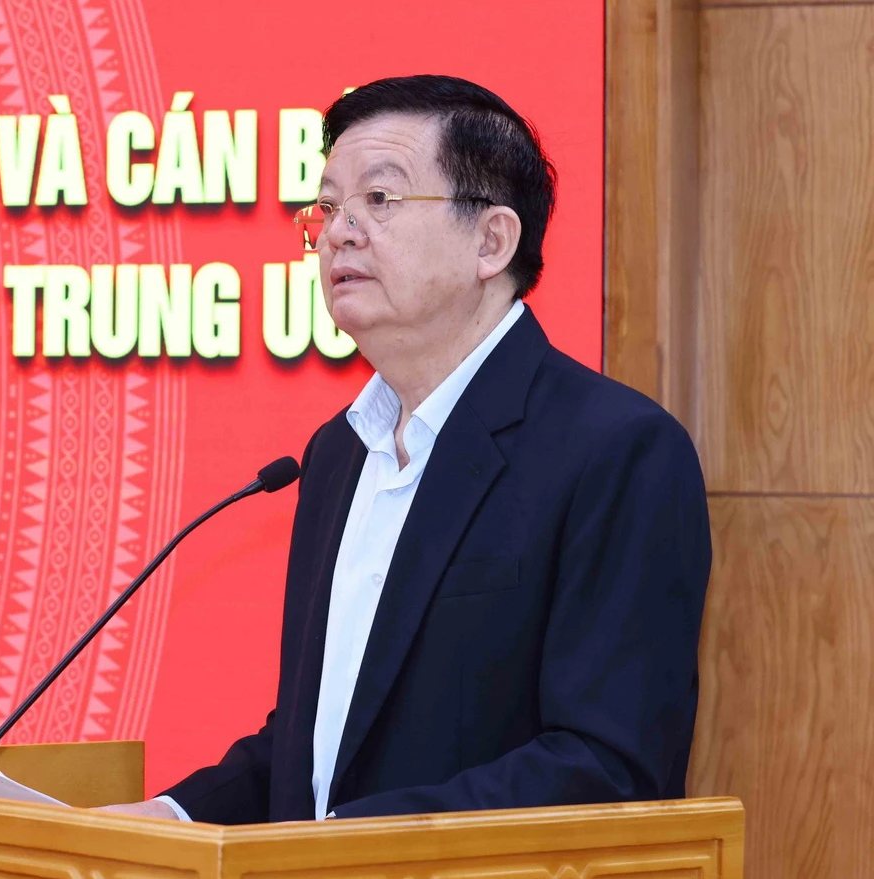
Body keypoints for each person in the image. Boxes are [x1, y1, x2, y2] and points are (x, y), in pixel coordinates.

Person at [101, 74, 711, 823]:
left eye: (379, 201)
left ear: (492, 240)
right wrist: (167, 817)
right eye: (327, 208)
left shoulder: (617, 452)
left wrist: (338, 849)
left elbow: (608, 769)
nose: (337, 233)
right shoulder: (336, 455)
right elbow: (316, 754)